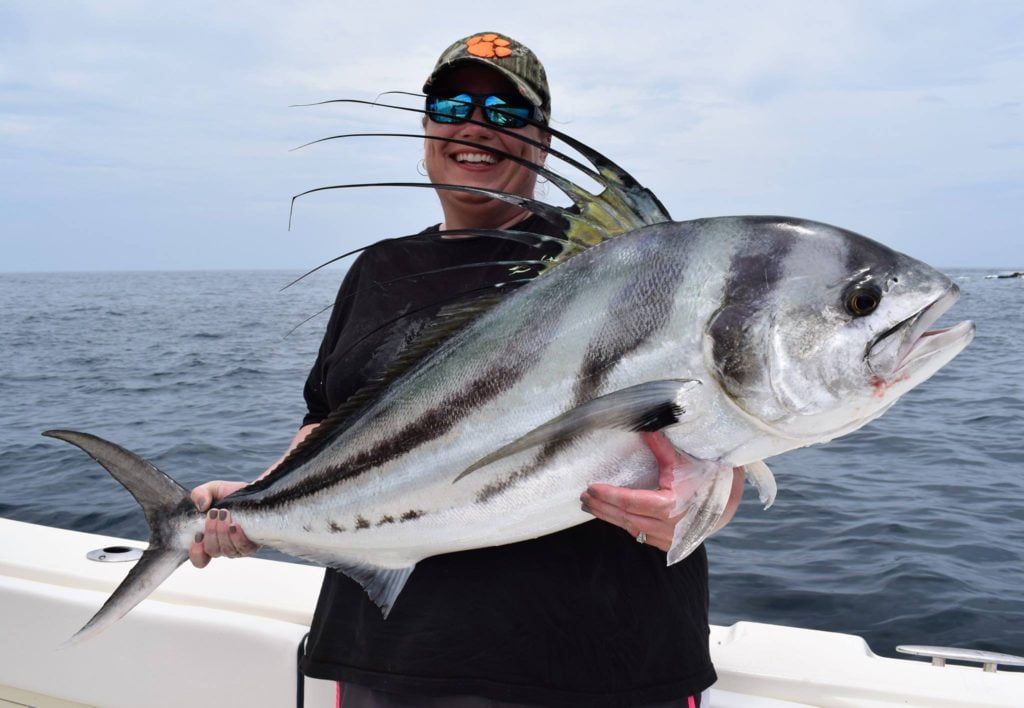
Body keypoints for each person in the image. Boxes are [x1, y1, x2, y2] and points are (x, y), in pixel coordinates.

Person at [189, 32, 744, 707]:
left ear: (541, 144)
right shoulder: (379, 270)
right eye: (453, 106)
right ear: (428, 130)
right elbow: (330, 426)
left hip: (605, 662)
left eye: (506, 113)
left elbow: (713, 413)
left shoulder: (626, 266)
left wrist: (713, 499)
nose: (475, 125)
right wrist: (262, 500)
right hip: (391, 657)